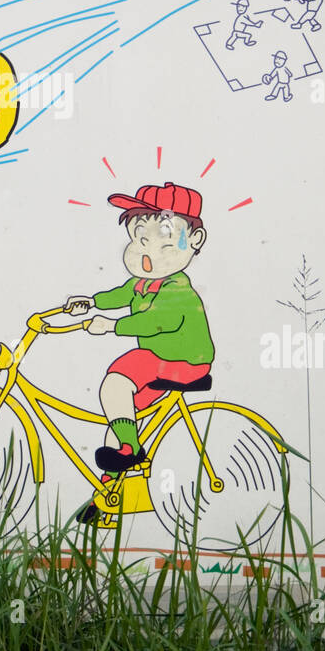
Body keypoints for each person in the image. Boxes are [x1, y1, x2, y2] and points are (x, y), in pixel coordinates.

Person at [65, 182, 215, 479]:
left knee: (118, 379)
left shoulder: (178, 289)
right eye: (139, 237)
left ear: (195, 239)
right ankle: (110, 490)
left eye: (163, 240)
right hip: (161, 360)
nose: (145, 250)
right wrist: (90, 303)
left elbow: (158, 321)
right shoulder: (141, 283)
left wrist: (112, 326)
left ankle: (130, 450)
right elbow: (119, 296)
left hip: (184, 361)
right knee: (120, 416)